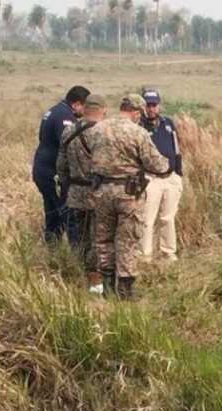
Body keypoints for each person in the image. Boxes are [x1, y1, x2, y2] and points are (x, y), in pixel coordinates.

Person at [89, 94, 169, 300]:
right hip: (129, 194)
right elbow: (156, 164)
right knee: (128, 240)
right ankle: (125, 291)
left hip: (102, 192)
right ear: (136, 112)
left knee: (103, 239)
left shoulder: (98, 129)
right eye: (140, 113)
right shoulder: (138, 132)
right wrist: (167, 164)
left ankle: (106, 288)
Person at [57, 94, 107, 295]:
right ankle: (96, 281)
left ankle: (82, 274)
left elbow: (61, 166)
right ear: (103, 109)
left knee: (81, 236)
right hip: (99, 194)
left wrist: (67, 186)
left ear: (85, 109)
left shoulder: (69, 130)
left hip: (76, 193)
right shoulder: (103, 132)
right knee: (99, 237)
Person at [32, 85, 91, 243]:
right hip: (52, 172)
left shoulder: (55, 110)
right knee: (65, 212)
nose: (85, 112)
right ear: (76, 104)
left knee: (52, 211)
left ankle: (52, 245)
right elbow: (69, 144)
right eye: (84, 107)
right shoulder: (65, 118)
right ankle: (73, 251)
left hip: (42, 168)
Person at [139, 88, 183, 263]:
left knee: (168, 218)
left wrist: (178, 174)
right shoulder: (139, 127)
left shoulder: (168, 123)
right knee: (147, 220)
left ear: (159, 105)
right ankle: (145, 255)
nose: (151, 109)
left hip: (171, 177)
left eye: (154, 105)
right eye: (148, 105)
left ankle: (168, 252)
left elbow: (177, 148)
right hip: (151, 178)